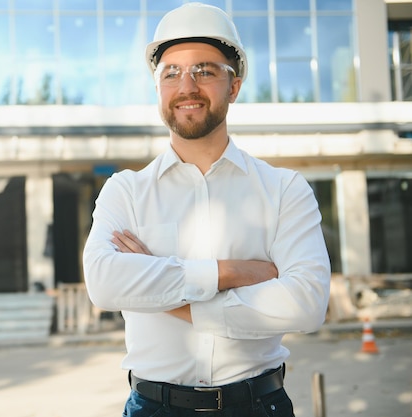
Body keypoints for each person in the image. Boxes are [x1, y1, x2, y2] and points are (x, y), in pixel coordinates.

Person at [82, 3, 330, 416]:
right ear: (159, 88)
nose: (187, 86)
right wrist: (228, 273)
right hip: (153, 407)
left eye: (205, 71)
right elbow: (105, 284)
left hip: (258, 404)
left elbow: (306, 303)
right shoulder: (124, 191)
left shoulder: (285, 189)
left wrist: (161, 288)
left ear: (233, 87)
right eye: (172, 73)